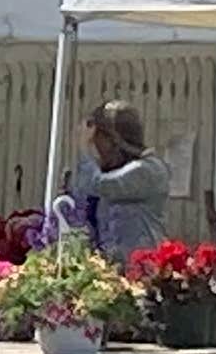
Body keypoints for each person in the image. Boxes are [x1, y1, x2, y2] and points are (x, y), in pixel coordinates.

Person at [65, 100, 175, 260]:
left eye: (98, 140)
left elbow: (99, 185)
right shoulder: (114, 169)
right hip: (114, 266)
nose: (97, 148)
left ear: (113, 139)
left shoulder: (147, 170)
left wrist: (84, 150)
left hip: (141, 268)